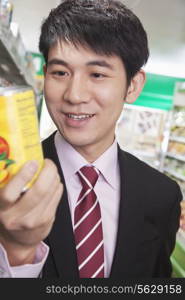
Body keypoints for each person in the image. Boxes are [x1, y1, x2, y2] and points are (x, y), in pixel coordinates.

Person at [0, 0, 183, 278]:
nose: (74, 95)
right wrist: (16, 254)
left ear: (132, 85)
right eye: (60, 72)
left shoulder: (162, 197)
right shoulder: (8, 181)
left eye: (97, 74)